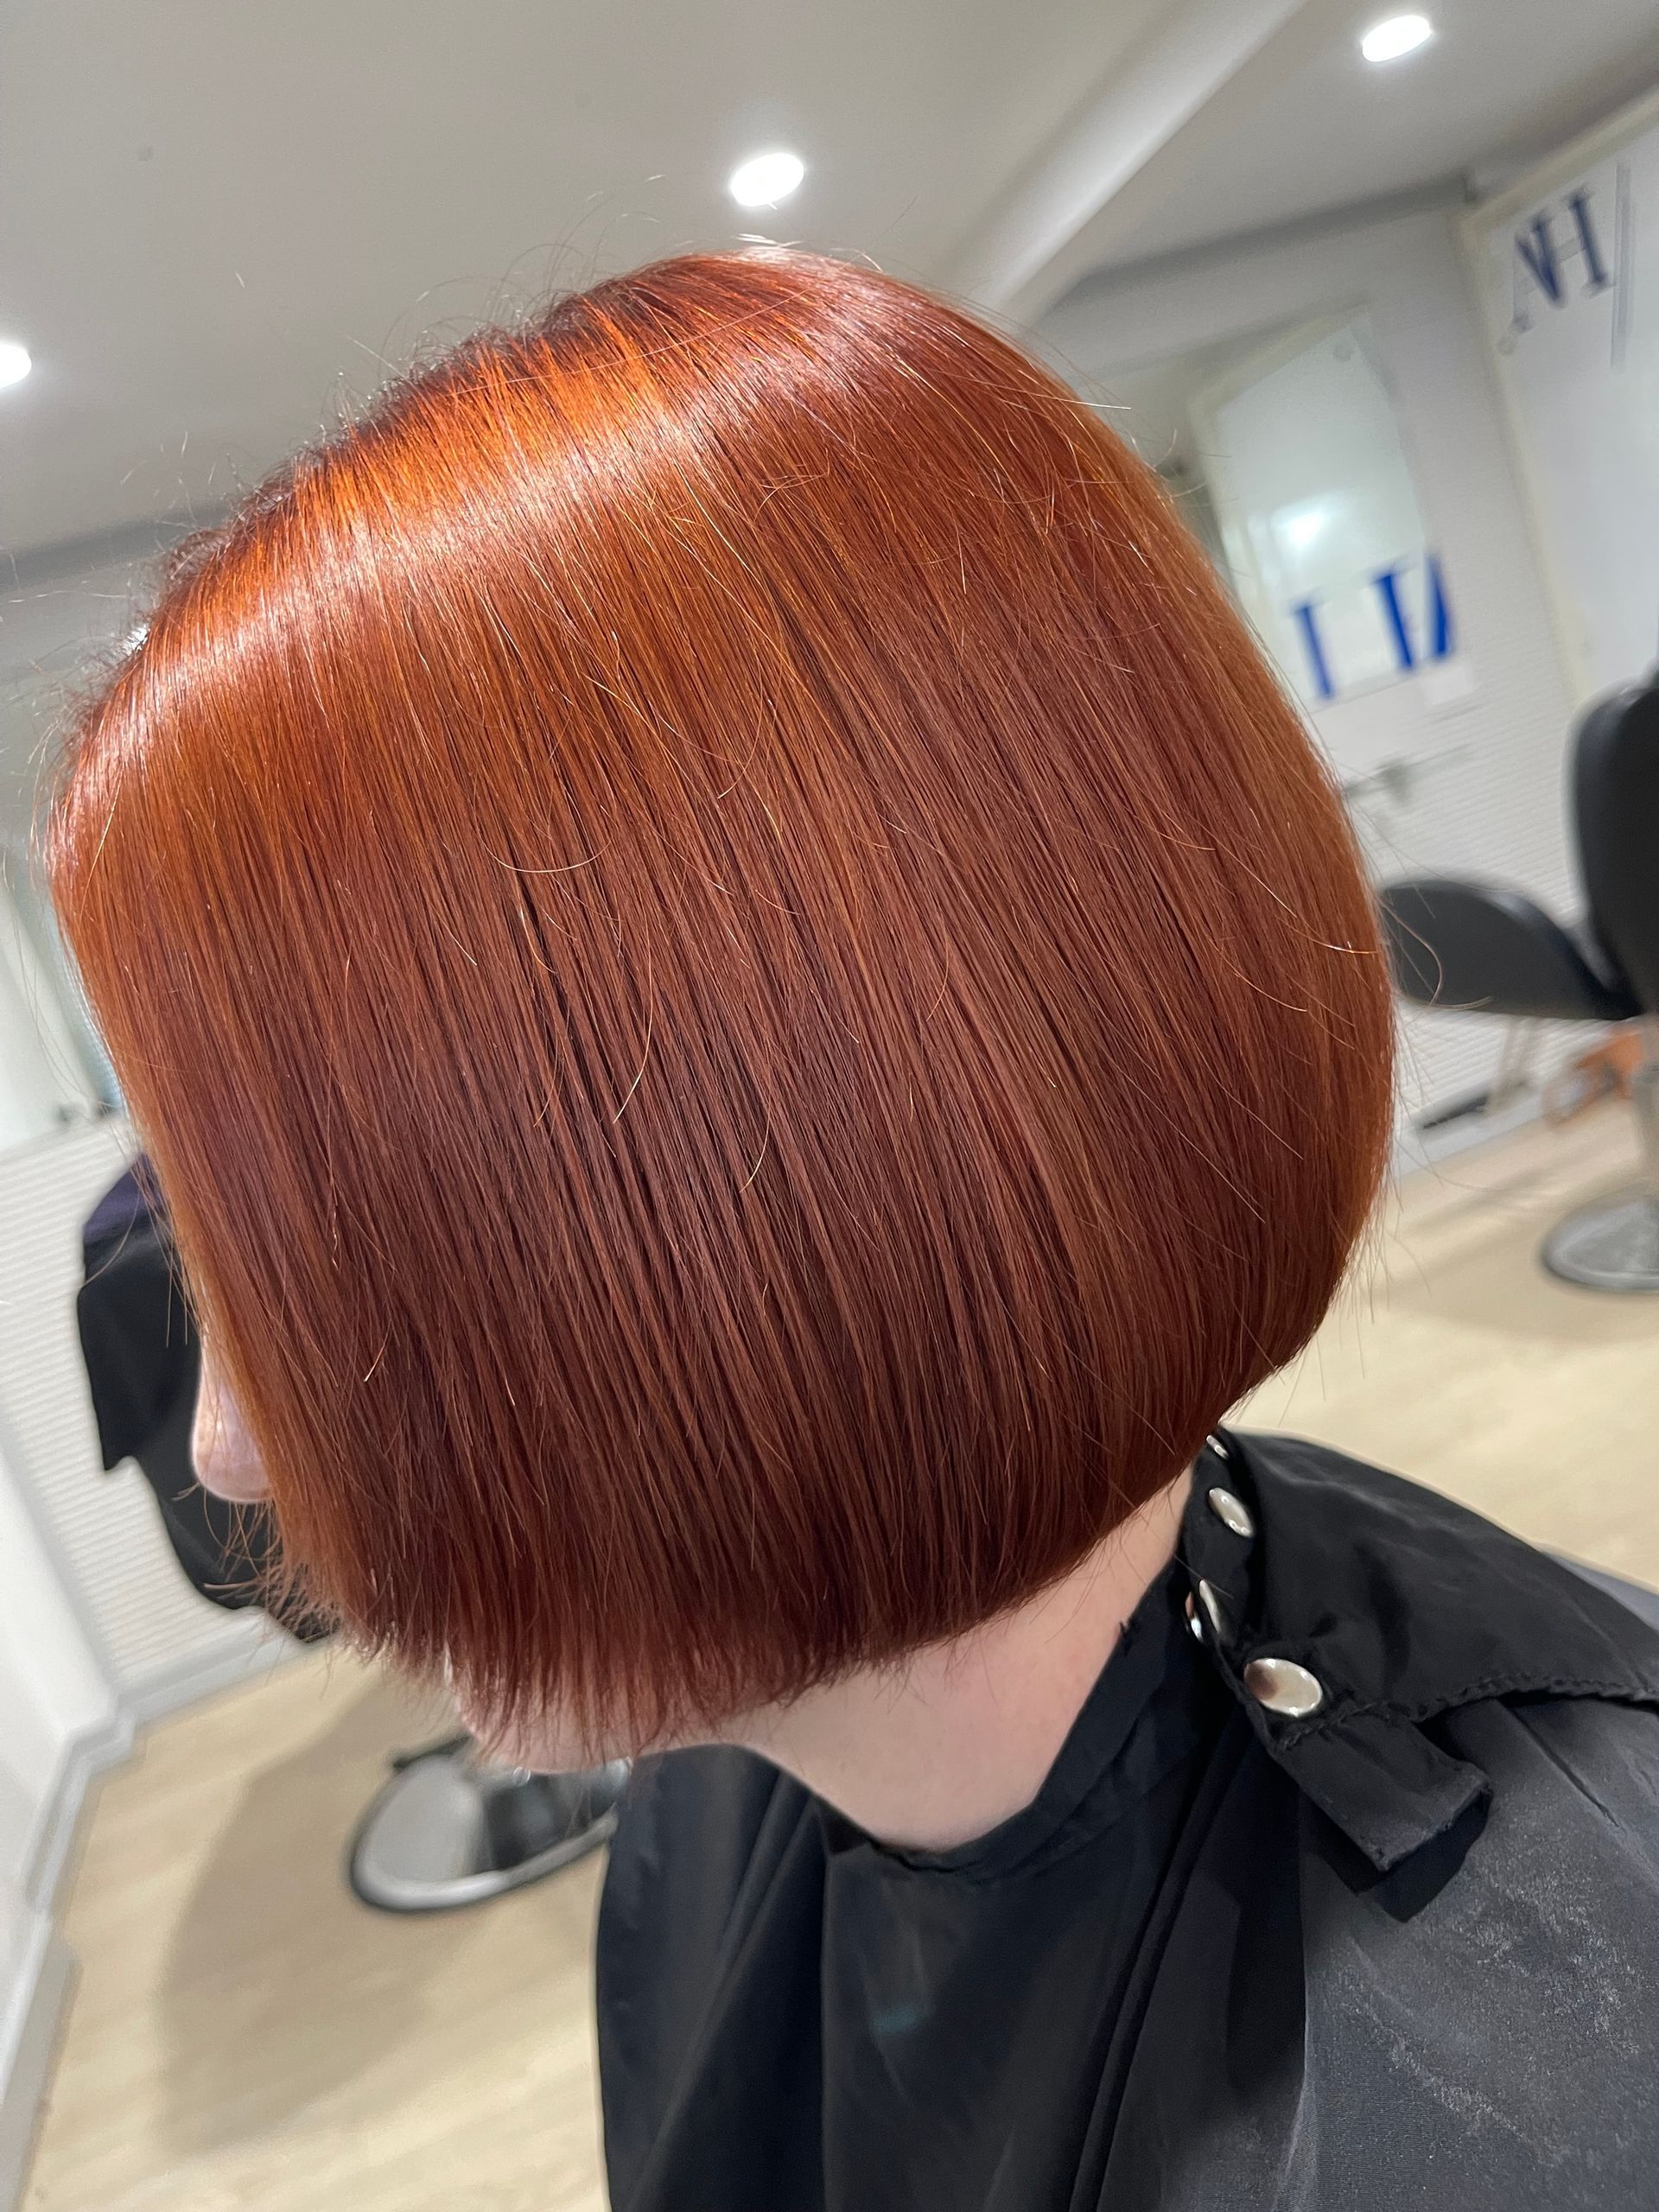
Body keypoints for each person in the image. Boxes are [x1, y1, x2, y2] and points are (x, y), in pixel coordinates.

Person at [48, 250, 1659, 2210]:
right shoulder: (719, 1799)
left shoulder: (1572, 2071)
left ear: (793, 1177)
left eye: (298, 1259)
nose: (223, 1434)